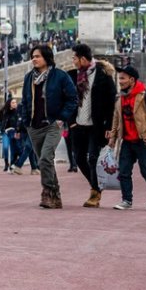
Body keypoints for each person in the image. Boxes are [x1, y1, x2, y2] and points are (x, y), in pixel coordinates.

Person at [17, 44, 78, 210]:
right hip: (33, 126)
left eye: (37, 56)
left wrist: (61, 118)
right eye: (32, 57)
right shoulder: (29, 77)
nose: (34, 59)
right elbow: (24, 100)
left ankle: (47, 192)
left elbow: (73, 99)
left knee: (44, 158)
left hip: (52, 124)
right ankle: (55, 196)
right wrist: (24, 121)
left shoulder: (60, 76)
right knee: (45, 161)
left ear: (46, 58)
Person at [68, 44, 117, 208]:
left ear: (83, 59)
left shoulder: (103, 75)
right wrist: (71, 122)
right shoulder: (72, 76)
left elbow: (111, 103)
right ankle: (96, 185)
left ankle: (95, 192)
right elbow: (67, 100)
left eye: (75, 58)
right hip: (78, 125)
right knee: (79, 158)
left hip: (96, 126)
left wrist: (109, 126)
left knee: (93, 158)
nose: (73, 61)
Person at [108, 65, 146, 210]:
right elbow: (116, 118)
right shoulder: (120, 97)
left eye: (122, 78)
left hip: (142, 141)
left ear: (132, 80)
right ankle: (127, 200)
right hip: (126, 141)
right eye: (119, 78)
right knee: (124, 171)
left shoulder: (145, 95)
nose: (120, 81)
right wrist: (113, 137)